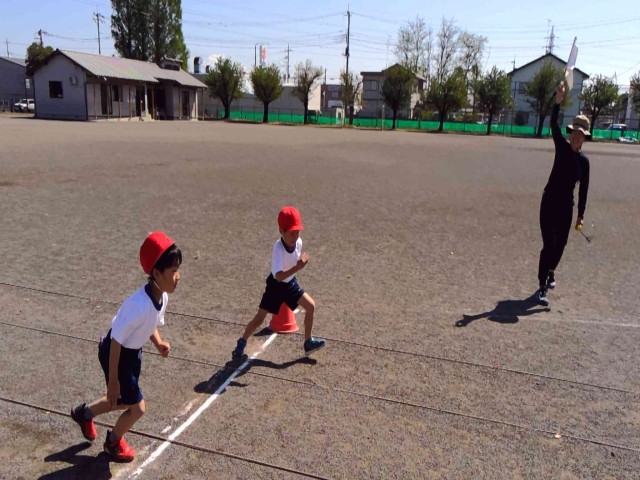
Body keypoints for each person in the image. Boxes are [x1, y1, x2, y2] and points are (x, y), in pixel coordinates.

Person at [70, 232, 182, 462]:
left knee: (121, 400)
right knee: (137, 408)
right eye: (173, 271)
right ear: (156, 272)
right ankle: (113, 442)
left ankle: (84, 414)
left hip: (131, 354)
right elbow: (116, 341)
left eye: (178, 270)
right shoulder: (137, 305)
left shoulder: (162, 297)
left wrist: (158, 343)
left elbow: (151, 323)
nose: (178, 276)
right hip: (116, 353)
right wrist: (113, 380)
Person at [232, 206, 326, 360]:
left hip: (290, 284)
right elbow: (278, 277)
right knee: (259, 319)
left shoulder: (299, 242)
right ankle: (240, 344)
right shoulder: (278, 248)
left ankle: (308, 343)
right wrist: (297, 267)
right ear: (281, 231)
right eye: (291, 233)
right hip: (276, 286)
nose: (295, 236)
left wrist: (296, 268)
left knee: (310, 306)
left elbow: (290, 269)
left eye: (297, 232)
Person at [536, 81, 590, 306]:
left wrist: (581, 215)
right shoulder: (561, 146)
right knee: (549, 245)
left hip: (566, 207)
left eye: (580, 134)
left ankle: (550, 271)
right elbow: (553, 124)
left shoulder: (584, 163)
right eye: (574, 132)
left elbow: (584, 190)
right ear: (571, 133)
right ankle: (542, 286)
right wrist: (557, 102)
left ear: (585, 138)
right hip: (549, 202)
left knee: (560, 246)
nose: (576, 137)